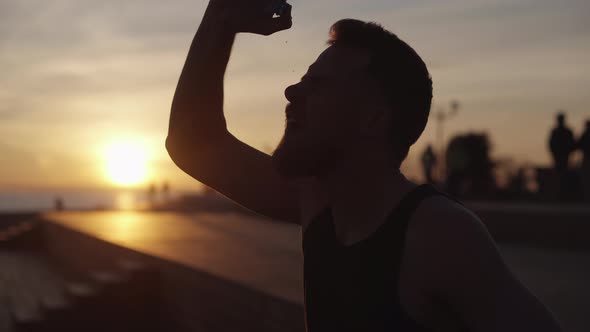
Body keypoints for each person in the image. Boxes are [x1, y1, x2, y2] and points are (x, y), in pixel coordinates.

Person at [166, 0, 562, 330]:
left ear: (374, 118)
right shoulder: (323, 204)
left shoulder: (438, 233)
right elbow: (193, 143)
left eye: (317, 85)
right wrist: (220, 18)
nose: (291, 91)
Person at [577, 120, 590, 202]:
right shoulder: (585, 135)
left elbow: (578, 144)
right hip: (586, 158)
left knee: (586, 179)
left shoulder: (585, 134)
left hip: (587, 159)